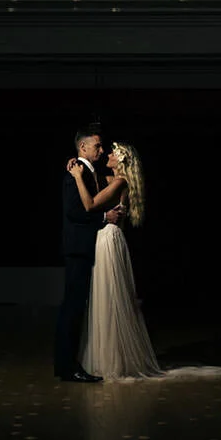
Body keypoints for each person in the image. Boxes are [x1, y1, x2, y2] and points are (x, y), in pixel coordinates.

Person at [69, 141, 162, 379]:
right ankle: (111, 356)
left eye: (113, 152)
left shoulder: (120, 181)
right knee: (109, 297)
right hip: (111, 239)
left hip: (108, 240)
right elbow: (96, 178)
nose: (107, 154)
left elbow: (90, 204)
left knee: (109, 297)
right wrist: (80, 167)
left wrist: (78, 177)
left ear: (121, 160)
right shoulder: (116, 180)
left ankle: (111, 360)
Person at [55, 129, 124, 382]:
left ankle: (71, 364)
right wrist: (104, 217)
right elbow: (75, 212)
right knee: (72, 308)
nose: (102, 150)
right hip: (78, 248)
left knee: (77, 307)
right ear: (82, 148)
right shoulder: (76, 174)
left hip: (86, 247)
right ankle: (67, 366)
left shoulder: (88, 173)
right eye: (97, 146)